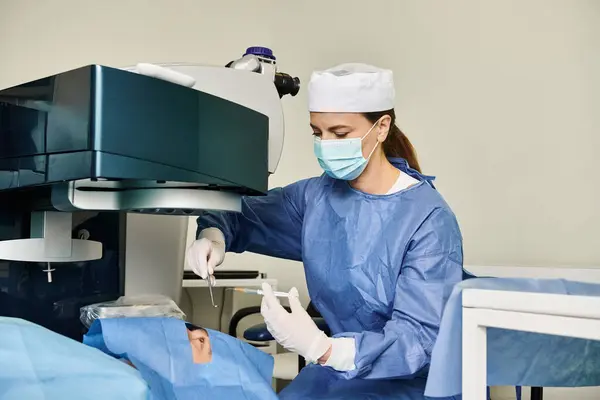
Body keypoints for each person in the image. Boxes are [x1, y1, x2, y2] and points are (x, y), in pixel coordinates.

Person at [187, 63, 464, 399]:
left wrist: (325, 348)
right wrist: (214, 235)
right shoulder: (317, 197)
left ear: (382, 127)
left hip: (412, 385)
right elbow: (243, 214)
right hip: (338, 376)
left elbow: (418, 339)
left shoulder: (428, 220)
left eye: (340, 133)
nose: (327, 144)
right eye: (317, 133)